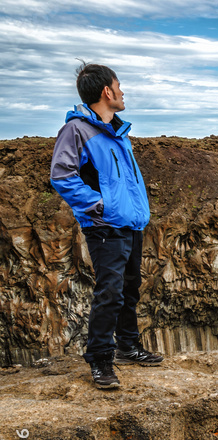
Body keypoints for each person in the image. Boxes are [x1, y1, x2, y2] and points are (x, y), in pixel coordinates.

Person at [50, 62, 163, 389]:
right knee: (110, 292)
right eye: (119, 85)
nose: (123, 91)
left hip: (130, 224)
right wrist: (101, 205)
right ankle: (100, 360)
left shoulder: (117, 132)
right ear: (106, 91)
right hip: (104, 227)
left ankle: (128, 346)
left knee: (129, 289)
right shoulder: (78, 131)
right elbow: (62, 176)